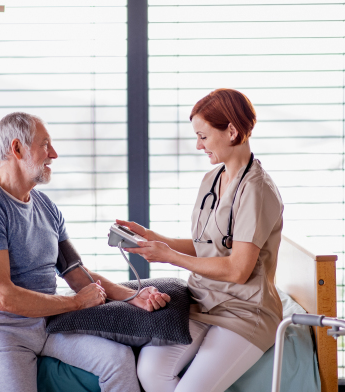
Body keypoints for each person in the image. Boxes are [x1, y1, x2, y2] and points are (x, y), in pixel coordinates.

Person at [0, 112, 171, 392]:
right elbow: (3, 298)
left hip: (43, 322)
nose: (53, 154)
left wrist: (132, 296)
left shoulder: (46, 207)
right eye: (45, 145)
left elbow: (75, 272)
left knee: (117, 360)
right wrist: (76, 303)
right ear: (17, 148)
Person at [119, 89, 284, 392]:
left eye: (204, 137)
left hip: (244, 312)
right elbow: (210, 246)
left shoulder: (256, 190)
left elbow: (238, 270)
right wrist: (156, 239)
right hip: (201, 301)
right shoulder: (212, 179)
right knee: (150, 372)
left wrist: (168, 256)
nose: (198, 145)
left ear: (232, 131)